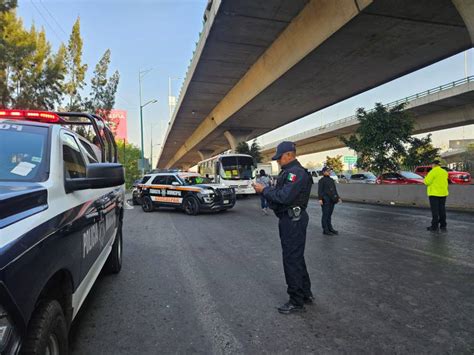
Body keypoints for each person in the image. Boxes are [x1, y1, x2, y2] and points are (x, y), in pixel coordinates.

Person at [253, 141, 313, 314]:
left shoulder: (295, 173)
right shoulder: (291, 172)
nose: (278, 161)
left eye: (279, 158)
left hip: (293, 220)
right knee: (297, 257)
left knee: (291, 259)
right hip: (292, 218)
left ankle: (296, 301)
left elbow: (284, 196)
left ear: (288, 155)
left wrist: (264, 190)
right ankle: (305, 293)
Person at [424, 159, 449, 232]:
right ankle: (443, 225)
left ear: (434, 164)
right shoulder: (444, 172)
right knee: (442, 210)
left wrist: (425, 178)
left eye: (431, 165)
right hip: (443, 193)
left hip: (434, 194)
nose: (431, 166)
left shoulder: (432, 172)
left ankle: (434, 226)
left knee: (435, 211)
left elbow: (427, 182)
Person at [318, 167, 341, 235]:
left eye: (329, 171)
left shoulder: (331, 180)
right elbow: (320, 190)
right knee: (325, 215)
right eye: (328, 171)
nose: (329, 172)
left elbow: (334, 190)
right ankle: (325, 230)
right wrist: (320, 199)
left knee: (329, 215)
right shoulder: (321, 180)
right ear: (324, 172)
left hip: (332, 200)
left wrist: (338, 197)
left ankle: (330, 228)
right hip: (325, 200)